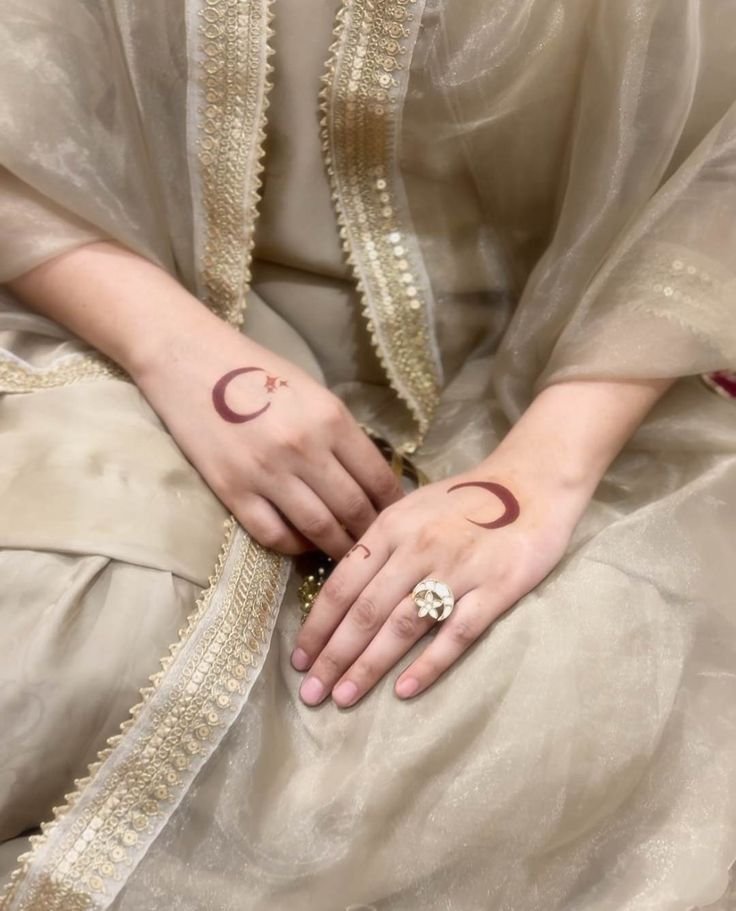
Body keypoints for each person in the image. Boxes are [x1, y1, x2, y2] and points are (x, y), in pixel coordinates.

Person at [1, 1, 735, 908]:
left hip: (574, 375)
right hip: (120, 311)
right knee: (67, 620)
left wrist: (543, 471)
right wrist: (174, 349)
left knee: (560, 707)